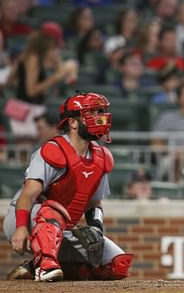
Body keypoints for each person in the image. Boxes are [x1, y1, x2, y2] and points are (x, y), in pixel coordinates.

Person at [2, 92, 133, 281]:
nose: (100, 118)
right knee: (53, 210)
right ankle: (44, 266)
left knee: (117, 265)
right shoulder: (53, 150)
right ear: (72, 123)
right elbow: (28, 195)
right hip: (24, 217)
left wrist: (96, 228)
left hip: (61, 227)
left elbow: (94, 203)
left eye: (101, 112)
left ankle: (33, 267)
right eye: (93, 113)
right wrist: (21, 228)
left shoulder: (102, 157)